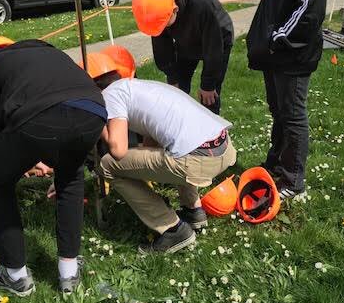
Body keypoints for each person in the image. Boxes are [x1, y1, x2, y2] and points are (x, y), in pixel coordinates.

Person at [0, 36, 107, 296]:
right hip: (93, 111)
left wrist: (3, 159)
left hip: (38, 117)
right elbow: (59, 102)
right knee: (71, 179)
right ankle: (69, 274)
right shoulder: (46, 51)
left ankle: (15, 276)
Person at [241, 0, 330, 200]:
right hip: (273, 53)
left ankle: (292, 180)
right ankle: (276, 164)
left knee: (292, 116)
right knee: (278, 113)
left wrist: (276, 39)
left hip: (293, 54)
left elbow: (309, 9)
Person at [95, 70, 237, 254]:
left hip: (199, 160)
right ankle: (193, 211)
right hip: (222, 148)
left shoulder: (110, 94)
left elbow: (117, 150)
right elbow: (151, 142)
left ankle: (172, 229)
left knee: (107, 165)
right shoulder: (143, 88)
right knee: (175, 145)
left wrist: (98, 122)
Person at [132, 0, 234, 114]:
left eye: (165, 24)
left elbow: (213, 48)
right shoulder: (157, 9)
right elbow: (162, 49)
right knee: (177, 90)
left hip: (218, 39)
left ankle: (213, 130)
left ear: (175, 9)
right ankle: (182, 124)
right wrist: (172, 77)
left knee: (209, 95)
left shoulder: (201, 3)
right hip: (186, 41)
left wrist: (208, 84)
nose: (162, 29)